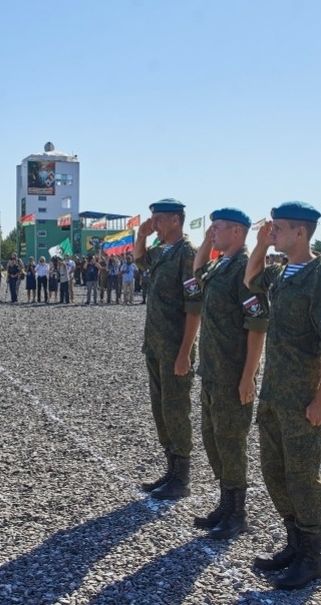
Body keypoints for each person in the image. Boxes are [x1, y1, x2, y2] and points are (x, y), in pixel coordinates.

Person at [244, 201, 321, 590]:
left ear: (300, 233)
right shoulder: (283, 273)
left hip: (302, 398)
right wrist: (259, 244)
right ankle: (293, 544)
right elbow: (250, 279)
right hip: (274, 394)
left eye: (279, 229)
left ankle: (312, 557)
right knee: (274, 473)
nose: (273, 233)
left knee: (302, 476)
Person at [192, 208, 268, 539]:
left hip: (232, 373)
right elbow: (197, 274)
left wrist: (248, 375)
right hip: (212, 370)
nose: (212, 232)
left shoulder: (245, 269)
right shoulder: (221, 263)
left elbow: (257, 327)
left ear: (237, 232)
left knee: (231, 442)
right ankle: (225, 504)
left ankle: (237, 513)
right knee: (213, 440)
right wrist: (205, 242)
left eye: (218, 228)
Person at [134, 198, 202, 500]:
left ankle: (182, 478)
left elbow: (193, 309)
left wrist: (185, 352)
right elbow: (139, 260)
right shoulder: (163, 252)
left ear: (175, 220)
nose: (155, 225)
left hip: (176, 348)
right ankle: (171, 470)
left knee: (176, 410)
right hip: (156, 346)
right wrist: (141, 235)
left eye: (159, 220)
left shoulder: (188, 254)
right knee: (161, 410)